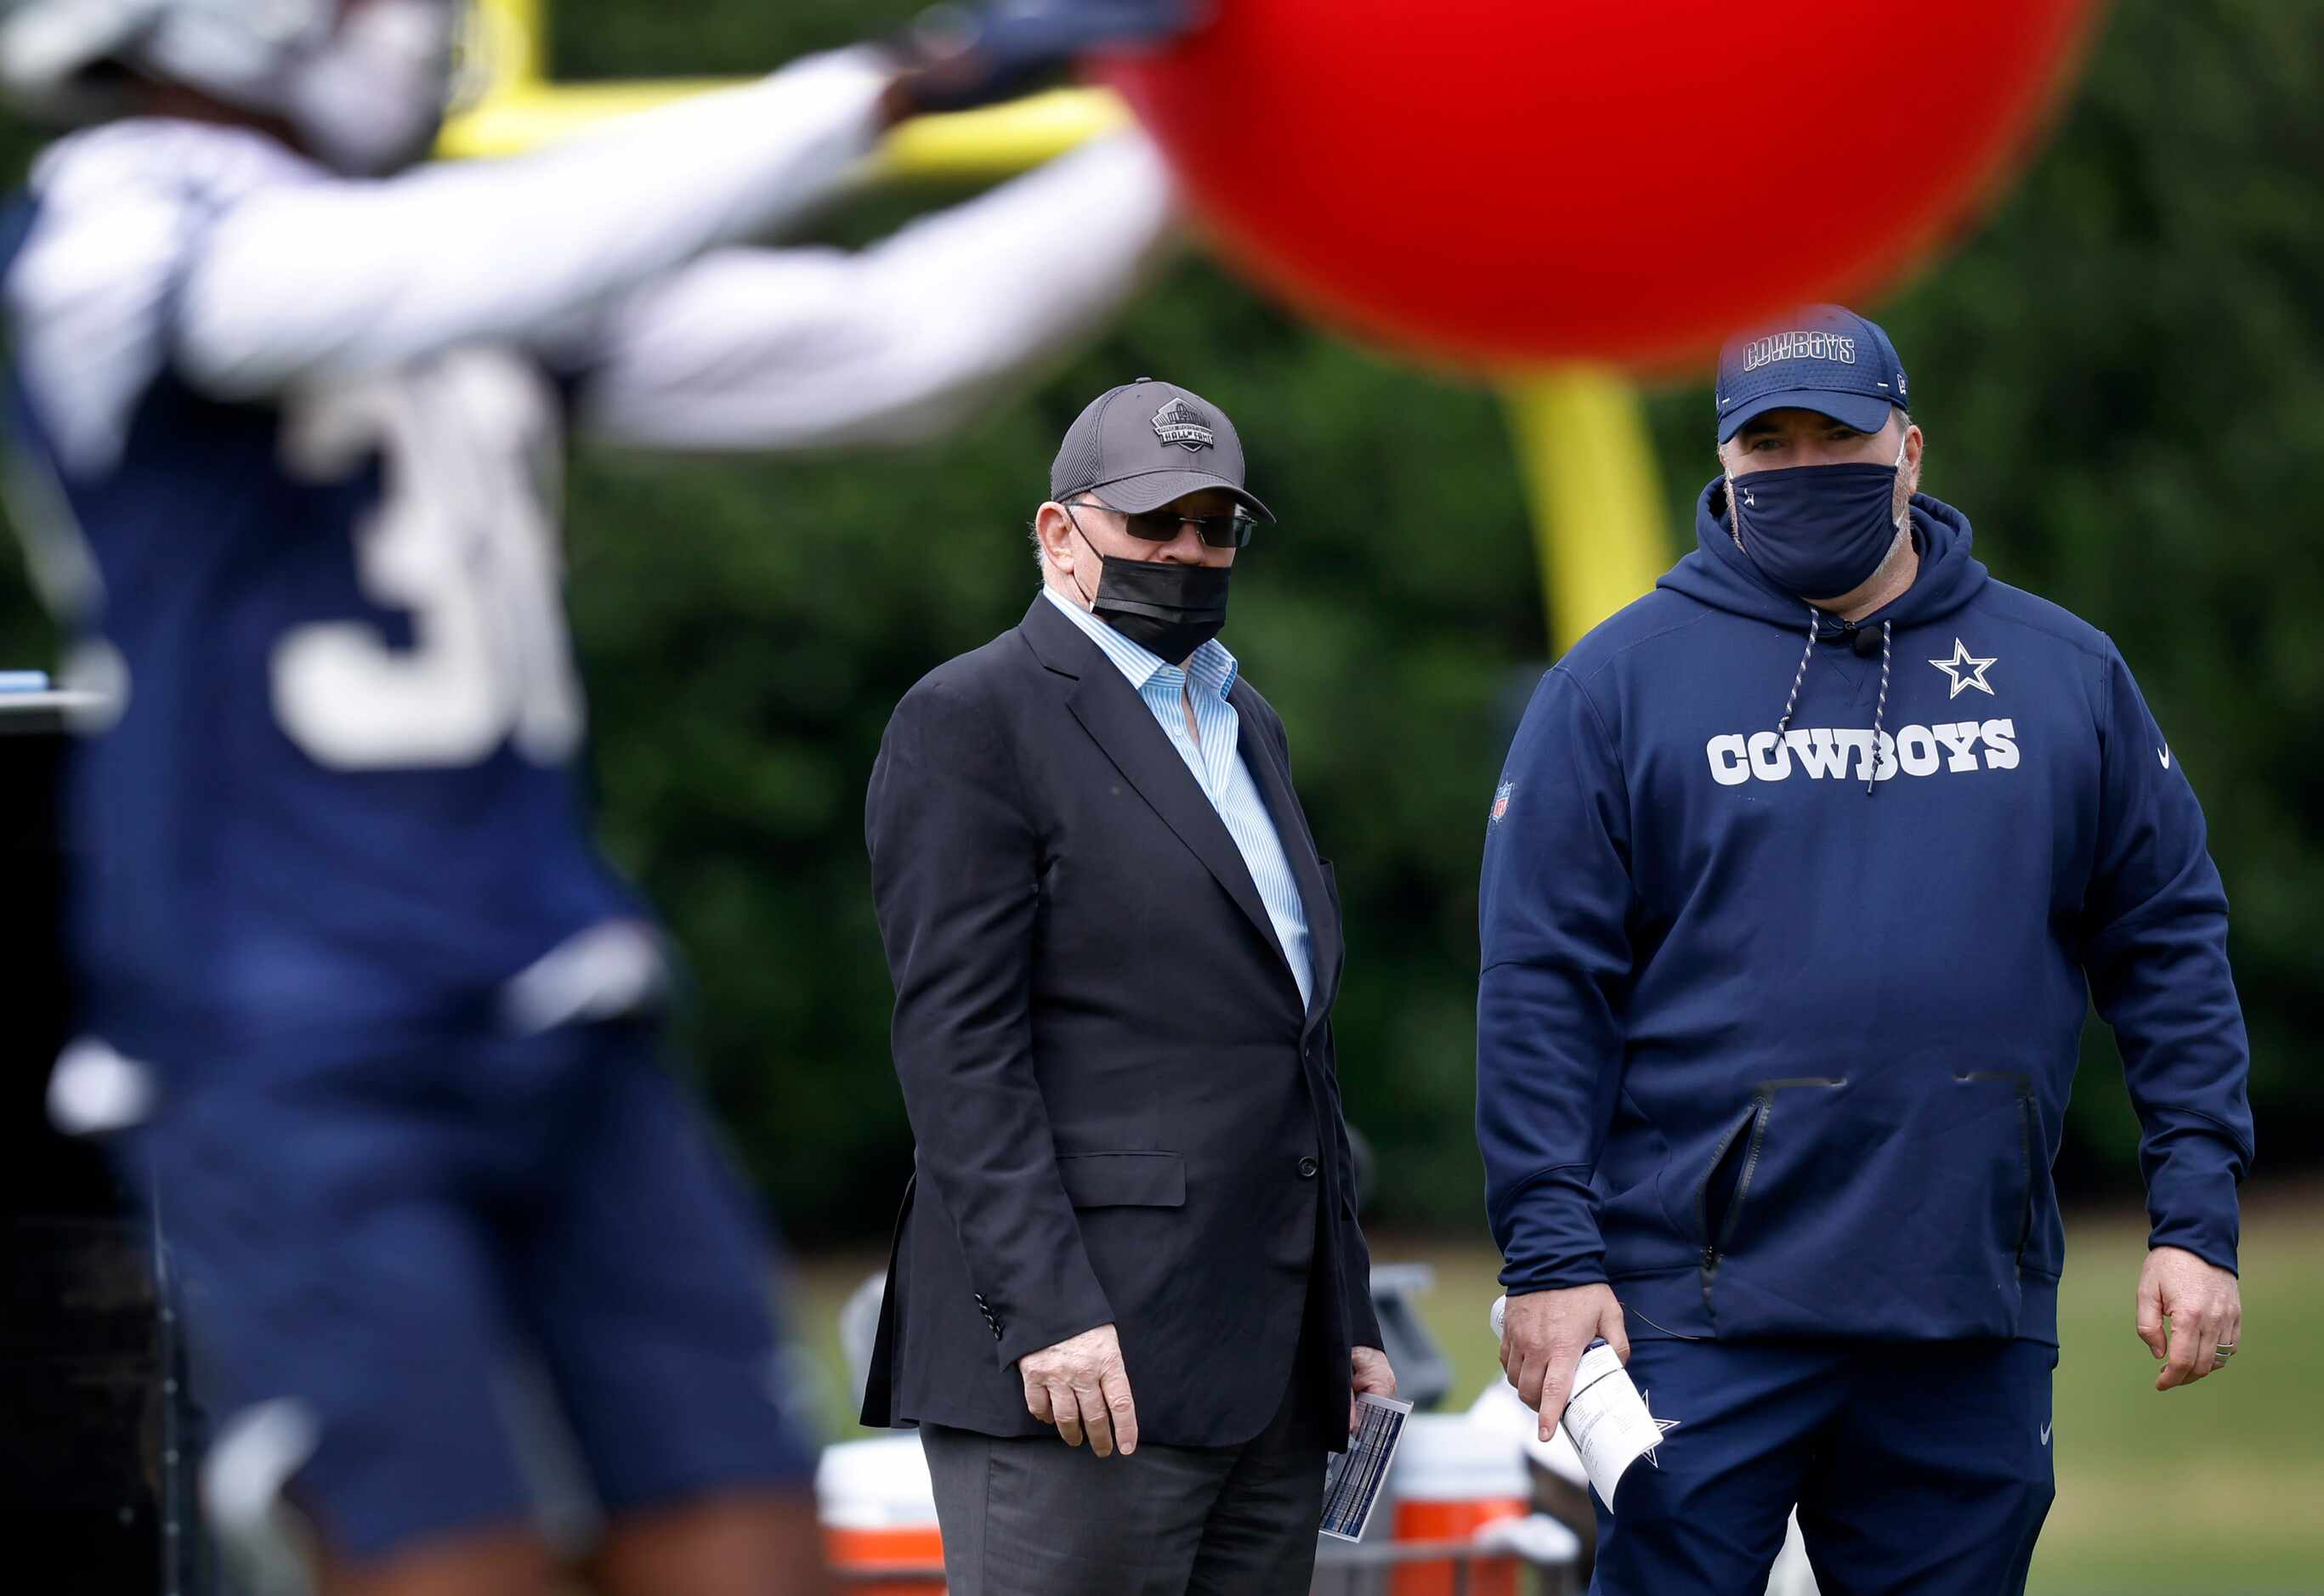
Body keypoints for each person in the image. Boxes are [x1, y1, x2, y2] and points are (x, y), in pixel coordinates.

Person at [0, 2, 1198, 1592]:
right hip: (290, 1035)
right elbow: (419, 273)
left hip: (552, 989)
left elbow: (901, 340)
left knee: (754, 1546)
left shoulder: (461, 251)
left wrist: (1208, 142)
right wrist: (901, 79)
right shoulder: (117, 226)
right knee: (450, 1561)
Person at [1476, 304, 2253, 1595]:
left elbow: (2167, 940)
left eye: (1831, 435)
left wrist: (2197, 1217)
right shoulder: (1615, 686)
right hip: (1696, 1310)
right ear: (1720, 463)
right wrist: (1551, 1259)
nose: (1796, 467)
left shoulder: (2061, 675)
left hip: (1964, 1299)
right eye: (1762, 443)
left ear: (1908, 448)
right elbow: (1539, 989)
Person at [862, 378, 1395, 1595]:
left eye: (1216, 530)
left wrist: (1345, 1312)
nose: (1189, 554)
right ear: (1059, 533)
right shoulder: (969, 715)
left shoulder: (1245, 717)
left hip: (1267, 1365)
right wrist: (1043, 1309)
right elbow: (957, 1047)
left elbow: (1290, 1045)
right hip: (1077, 1361)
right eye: (1155, 524)